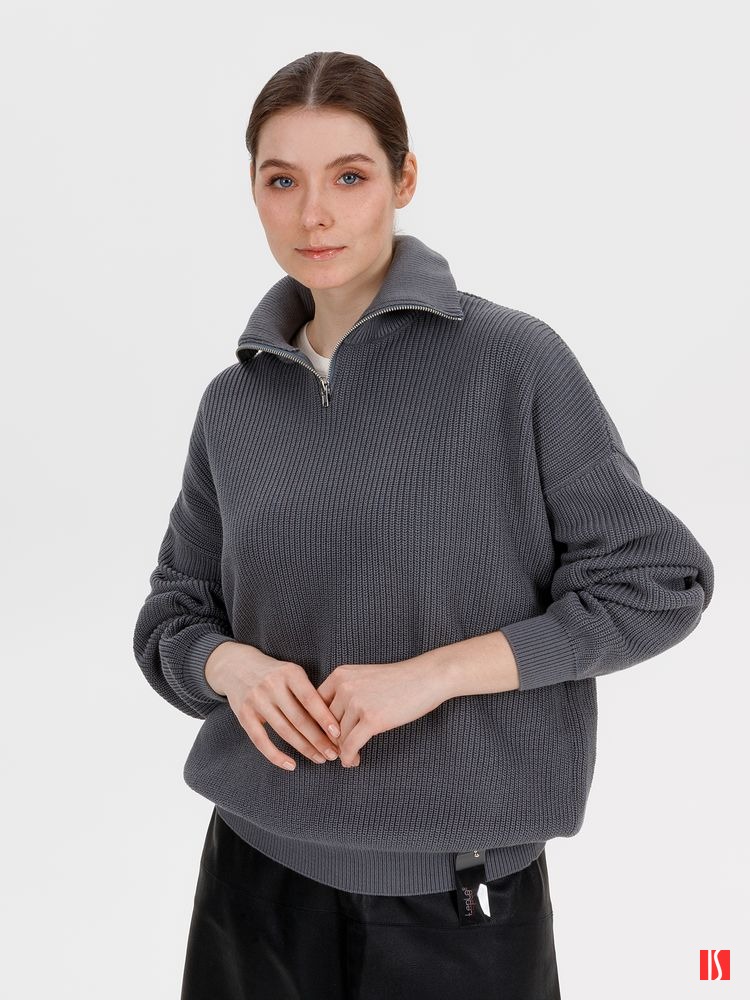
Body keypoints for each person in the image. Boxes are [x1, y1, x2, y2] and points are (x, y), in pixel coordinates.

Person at [132, 50, 715, 999]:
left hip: (457, 897)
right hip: (251, 876)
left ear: (403, 180)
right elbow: (173, 615)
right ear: (254, 193)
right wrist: (229, 666)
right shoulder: (234, 404)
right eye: (282, 181)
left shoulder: (512, 363)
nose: (313, 215)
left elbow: (658, 582)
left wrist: (435, 675)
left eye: (348, 177)